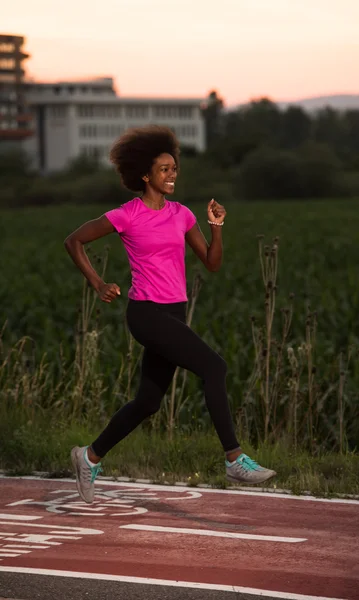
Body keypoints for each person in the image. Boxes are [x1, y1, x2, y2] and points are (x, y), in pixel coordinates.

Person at [64, 125, 276, 504]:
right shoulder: (126, 215)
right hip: (146, 313)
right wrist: (97, 283)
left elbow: (211, 263)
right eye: (164, 169)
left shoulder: (181, 215)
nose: (172, 174)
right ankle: (234, 459)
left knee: (148, 402)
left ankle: (88, 456)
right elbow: (74, 240)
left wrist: (216, 227)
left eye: (174, 168)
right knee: (215, 367)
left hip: (175, 313)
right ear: (145, 175)